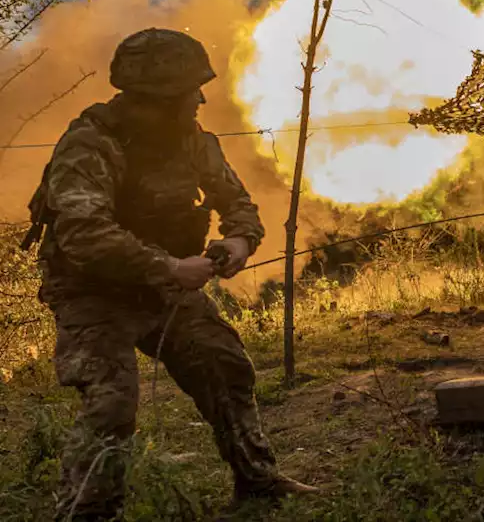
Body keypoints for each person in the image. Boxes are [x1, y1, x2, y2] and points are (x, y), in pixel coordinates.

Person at [23, 27, 317, 520]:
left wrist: (237, 243)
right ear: (154, 99)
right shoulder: (91, 143)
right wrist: (170, 267)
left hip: (163, 287)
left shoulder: (194, 143)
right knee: (111, 405)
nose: (200, 99)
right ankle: (87, 513)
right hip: (92, 293)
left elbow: (239, 204)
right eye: (188, 92)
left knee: (224, 365)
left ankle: (258, 481)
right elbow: (83, 234)